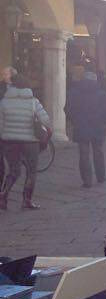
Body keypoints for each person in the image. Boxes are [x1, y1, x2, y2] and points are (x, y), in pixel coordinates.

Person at [0, 69, 50, 211]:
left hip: (9, 141)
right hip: (30, 142)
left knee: (13, 171)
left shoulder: (4, 102)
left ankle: (3, 197)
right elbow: (46, 120)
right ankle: (26, 200)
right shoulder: (33, 102)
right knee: (31, 171)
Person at [65, 70, 106, 188]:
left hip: (81, 126)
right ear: (96, 80)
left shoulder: (74, 92)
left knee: (84, 154)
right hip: (98, 126)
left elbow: (67, 109)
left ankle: (87, 181)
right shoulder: (102, 94)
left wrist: (75, 121)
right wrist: (103, 121)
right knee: (98, 151)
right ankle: (101, 176)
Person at [0, 66, 13, 194]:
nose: (3, 76)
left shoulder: (19, 87)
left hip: (12, 128)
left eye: (5, 74)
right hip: (2, 127)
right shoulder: (1, 87)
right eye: (3, 74)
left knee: (14, 166)